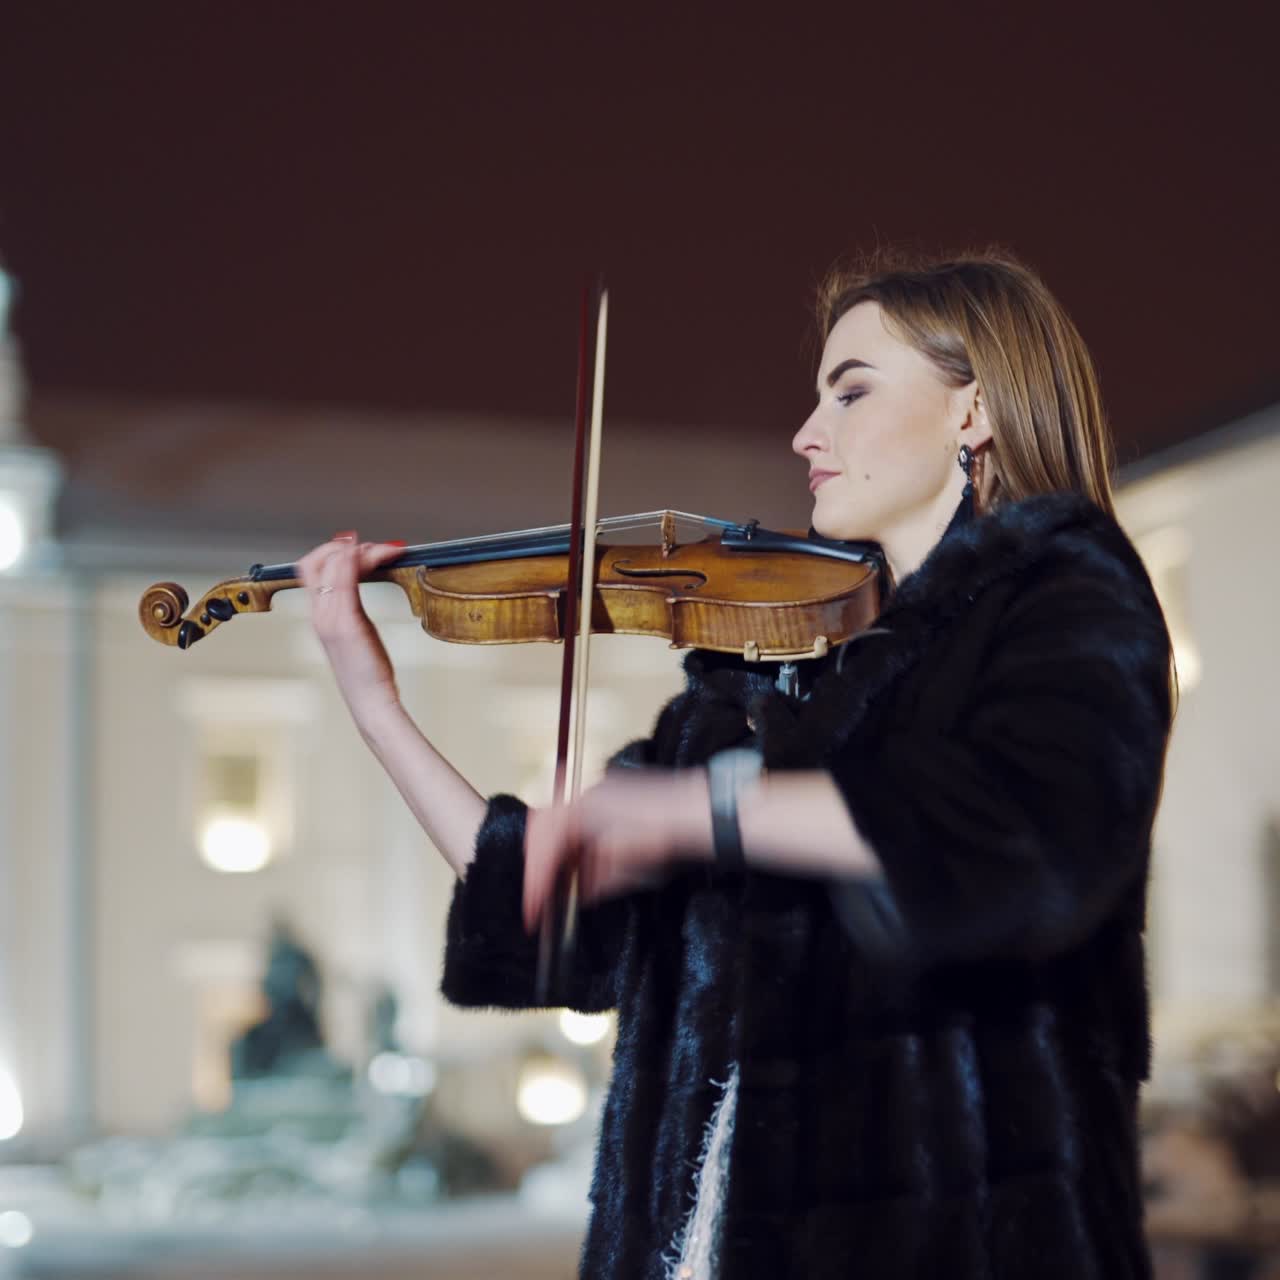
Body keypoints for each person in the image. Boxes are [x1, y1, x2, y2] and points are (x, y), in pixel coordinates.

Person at [298, 249, 1176, 1279]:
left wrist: (700, 811)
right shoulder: (757, 690)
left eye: (849, 392)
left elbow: (1024, 843)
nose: (805, 434)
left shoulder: (1063, 592)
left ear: (970, 411)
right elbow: (558, 916)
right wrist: (374, 702)